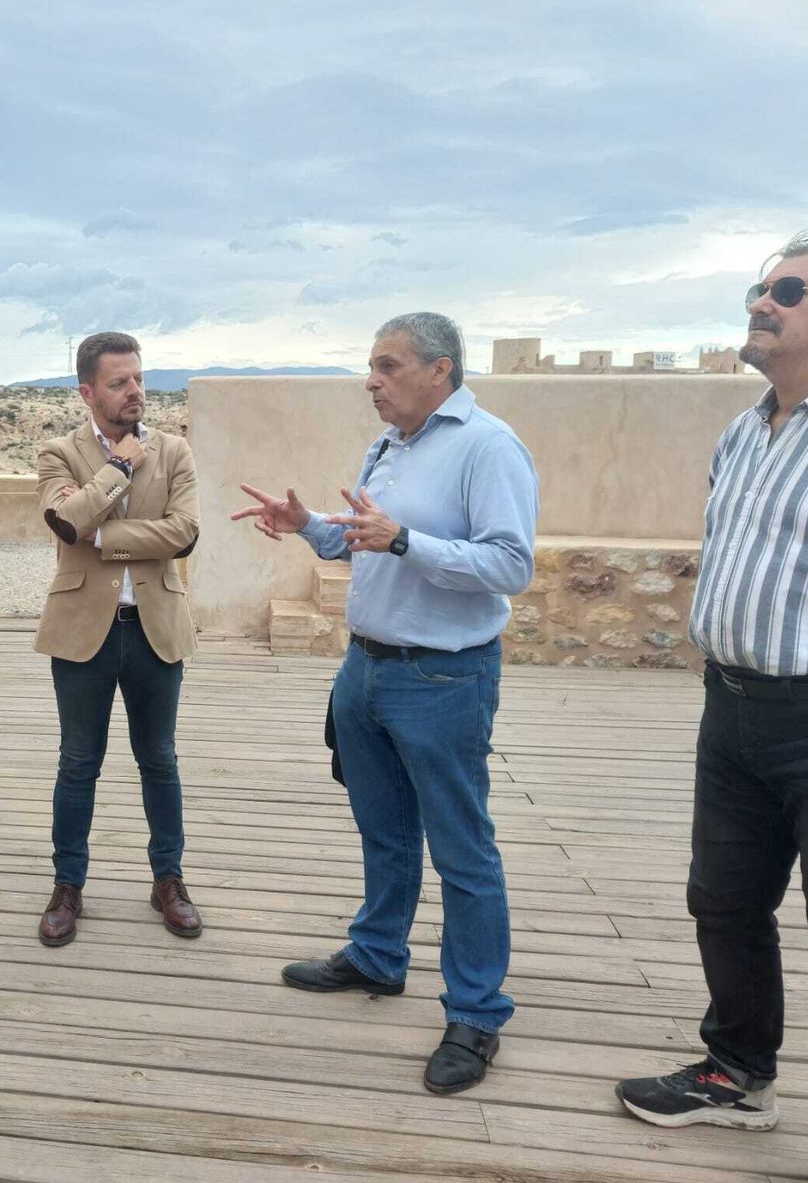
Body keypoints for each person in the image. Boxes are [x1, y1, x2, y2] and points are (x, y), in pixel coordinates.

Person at [234, 311, 537, 1094]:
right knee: (384, 830)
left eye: (388, 366)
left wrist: (405, 540)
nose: (371, 381)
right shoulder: (392, 444)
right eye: (371, 366)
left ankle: (476, 1013)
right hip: (365, 669)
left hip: (443, 679)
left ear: (441, 370)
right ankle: (377, 955)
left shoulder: (488, 447)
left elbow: (510, 565)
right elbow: (363, 540)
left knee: (462, 848)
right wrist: (308, 526)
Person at [616, 232, 808, 1183]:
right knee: (723, 900)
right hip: (733, 710)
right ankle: (739, 1074)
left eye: (788, 290)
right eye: (758, 288)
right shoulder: (742, 432)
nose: (762, 302)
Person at [34, 331, 203, 947]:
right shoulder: (58, 452)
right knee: (79, 762)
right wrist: (121, 467)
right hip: (83, 632)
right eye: (119, 382)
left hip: (157, 627)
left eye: (138, 378)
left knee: (159, 759)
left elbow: (184, 533)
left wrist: (103, 537)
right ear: (87, 392)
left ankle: (168, 879)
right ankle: (68, 885)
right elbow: (65, 519)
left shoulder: (175, 450)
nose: (135, 391)